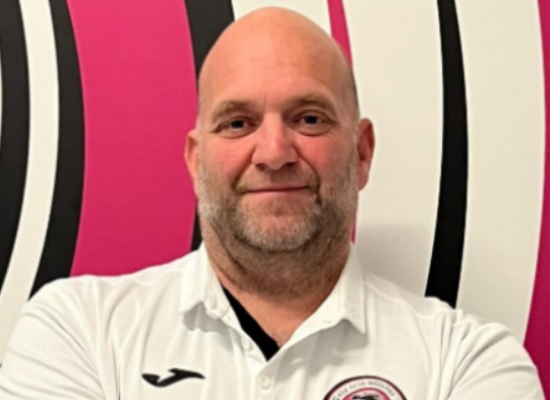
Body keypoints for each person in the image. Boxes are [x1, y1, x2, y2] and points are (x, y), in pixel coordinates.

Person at [0, 7, 544, 400]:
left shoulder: (465, 361)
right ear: (196, 161)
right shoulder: (81, 331)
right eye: (238, 123)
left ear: (361, 152)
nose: (275, 152)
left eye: (309, 118)